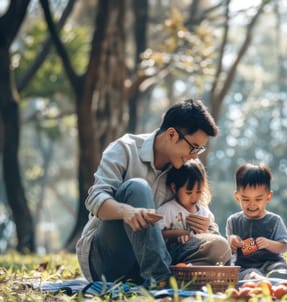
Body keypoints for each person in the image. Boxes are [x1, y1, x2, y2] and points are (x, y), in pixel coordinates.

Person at [76, 98, 231, 286]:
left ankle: (166, 278)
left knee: (219, 247)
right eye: (193, 147)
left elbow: (207, 222)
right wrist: (126, 211)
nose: (195, 155)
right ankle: (161, 280)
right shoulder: (125, 149)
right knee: (137, 188)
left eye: (200, 149)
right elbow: (95, 199)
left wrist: (205, 227)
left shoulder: (186, 167)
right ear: (172, 135)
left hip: (162, 254)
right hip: (109, 259)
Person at [226, 163, 287, 280]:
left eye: (258, 199)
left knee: (280, 267)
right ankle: (256, 279)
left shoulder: (274, 220)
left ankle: (278, 276)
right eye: (246, 199)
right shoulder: (233, 221)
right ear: (238, 197)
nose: (252, 204)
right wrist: (232, 241)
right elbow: (229, 251)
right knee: (244, 273)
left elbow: (283, 246)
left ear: (268, 196)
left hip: (272, 263)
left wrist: (268, 244)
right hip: (246, 266)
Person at [156, 159, 229, 265]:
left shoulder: (203, 210)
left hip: (201, 254)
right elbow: (156, 235)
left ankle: (197, 268)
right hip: (177, 255)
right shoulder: (169, 209)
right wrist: (181, 234)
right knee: (220, 245)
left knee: (223, 247)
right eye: (189, 192)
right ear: (174, 187)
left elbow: (213, 233)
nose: (194, 197)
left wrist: (206, 231)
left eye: (198, 192)